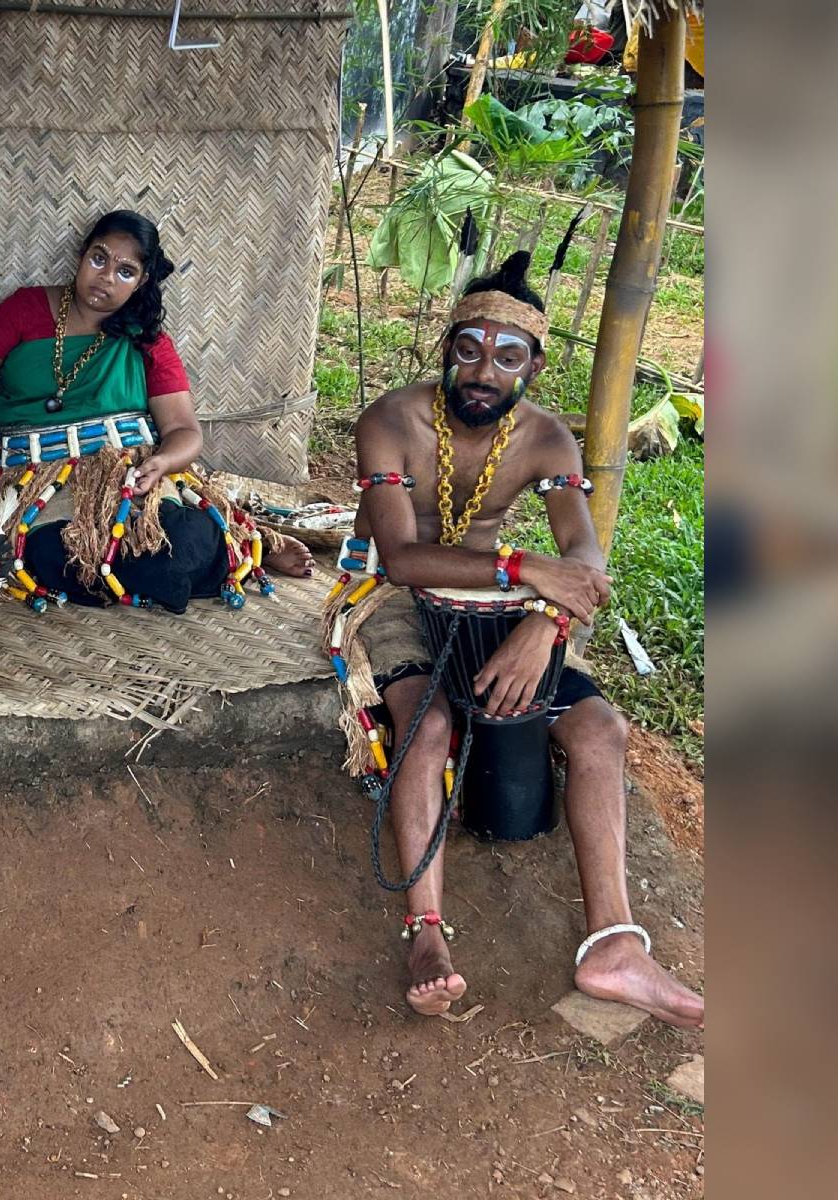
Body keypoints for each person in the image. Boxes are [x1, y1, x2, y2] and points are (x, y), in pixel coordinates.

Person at [337, 250, 703, 1027]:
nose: (484, 371)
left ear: (533, 364)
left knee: (601, 727)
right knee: (427, 723)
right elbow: (402, 558)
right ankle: (426, 936)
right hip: (398, 599)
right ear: (447, 349)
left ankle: (614, 944)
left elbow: (587, 558)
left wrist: (546, 621)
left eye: (508, 356)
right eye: (469, 349)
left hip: (505, 604)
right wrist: (524, 569)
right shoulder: (391, 420)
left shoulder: (546, 440)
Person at [0, 209, 310, 614]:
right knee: (50, 554)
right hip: (39, 477)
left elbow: (185, 430)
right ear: (81, 256)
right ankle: (207, 562)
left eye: (126, 271)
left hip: (128, 474)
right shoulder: (26, 309)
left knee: (180, 539)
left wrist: (163, 462)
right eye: (99, 259)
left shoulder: (146, 337)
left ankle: (234, 544)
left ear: (141, 281)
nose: (107, 277)